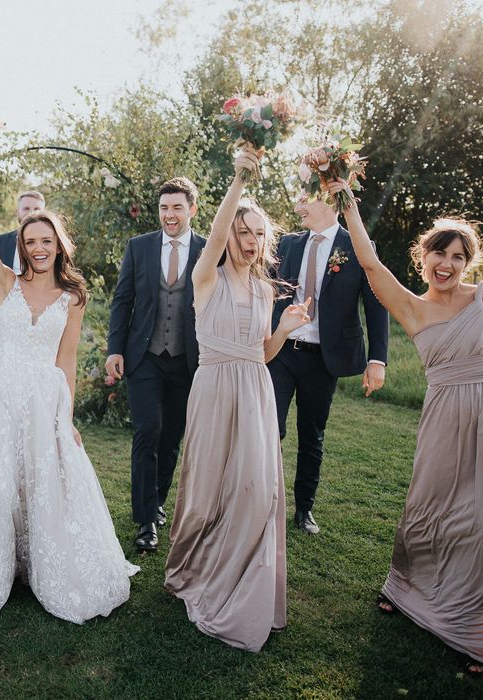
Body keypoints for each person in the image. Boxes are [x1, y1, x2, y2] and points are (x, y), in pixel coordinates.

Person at [327, 177, 483, 675]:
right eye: (439, 254)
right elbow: (369, 263)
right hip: (443, 422)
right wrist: (345, 200)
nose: (447, 265)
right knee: (428, 509)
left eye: (458, 257)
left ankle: (476, 626)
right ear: (424, 257)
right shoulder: (412, 308)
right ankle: (404, 588)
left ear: (467, 263)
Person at [0, 189, 138, 623]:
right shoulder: (6, 283)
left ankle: (40, 564)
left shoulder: (73, 295)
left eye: (46, 241)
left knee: (44, 476)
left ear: (58, 246)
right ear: (22, 247)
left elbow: (67, 358)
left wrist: (65, 415)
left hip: (41, 395)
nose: (38, 248)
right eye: (31, 241)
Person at [165, 151, 311, 652]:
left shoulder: (267, 288)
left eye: (258, 235)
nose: (250, 243)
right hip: (212, 389)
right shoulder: (206, 277)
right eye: (242, 233)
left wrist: (285, 330)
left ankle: (244, 578)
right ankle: (193, 568)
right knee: (207, 487)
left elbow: (262, 353)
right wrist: (240, 178)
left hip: (255, 390)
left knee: (255, 489)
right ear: (228, 236)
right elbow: (221, 222)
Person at [269, 188, 389, 534]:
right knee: (268, 429)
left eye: (306, 198)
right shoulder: (287, 244)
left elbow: (376, 303)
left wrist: (377, 359)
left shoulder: (357, 246)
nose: (298, 205)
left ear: (329, 202)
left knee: (312, 435)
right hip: (280, 351)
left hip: (324, 358)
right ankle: (265, 503)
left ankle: (304, 510)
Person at [105, 177, 206, 552]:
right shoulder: (139, 247)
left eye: (177, 207)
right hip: (144, 357)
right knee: (147, 431)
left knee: (171, 437)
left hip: (187, 361)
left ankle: (158, 500)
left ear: (192, 209)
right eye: (164, 207)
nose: (169, 214)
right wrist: (115, 349)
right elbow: (122, 301)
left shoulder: (209, 250)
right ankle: (146, 520)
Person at [0, 190, 45, 334]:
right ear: (18, 212)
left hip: (42, 322)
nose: (31, 213)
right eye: (26, 208)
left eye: (36, 209)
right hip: (4, 323)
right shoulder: (0, 241)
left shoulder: (53, 245)